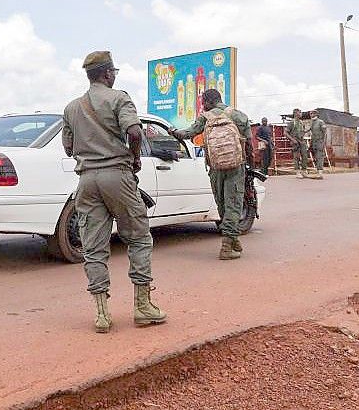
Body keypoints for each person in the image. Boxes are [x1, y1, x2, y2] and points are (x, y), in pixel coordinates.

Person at [62, 51, 166, 334]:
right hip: (117, 176)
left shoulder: (72, 108)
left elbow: (68, 148)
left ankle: (102, 314)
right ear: (108, 74)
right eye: (114, 72)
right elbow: (135, 132)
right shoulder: (119, 97)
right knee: (139, 237)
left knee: (94, 246)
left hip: (86, 181)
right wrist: (134, 158)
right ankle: (143, 307)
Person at [170, 89, 253, 260]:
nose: (202, 105)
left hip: (215, 167)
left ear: (207, 102)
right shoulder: (238, 115)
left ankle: (232, 240)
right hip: (236, 166)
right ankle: (227, 247)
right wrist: (249, 165)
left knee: (222, 204)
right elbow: (249, 143)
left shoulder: (205, 118)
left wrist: (173, 132)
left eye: (202, 102)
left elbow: (186, 134)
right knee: (234, 204)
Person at [284, 108, 308, 178]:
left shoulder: (301, 122)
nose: (301, 113)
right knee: (296, 157)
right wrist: (292, 139)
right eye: (299, 112)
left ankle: (303, 171)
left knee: (305, 156)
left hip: (302, 141)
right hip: (295, 142)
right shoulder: (292, 122)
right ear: (295, 113)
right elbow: (285, 132)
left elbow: (303, 131)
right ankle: (297, 172)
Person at [309, 109, 327, 179]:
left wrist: (323, 142)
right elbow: (311, 133)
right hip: (313, 142)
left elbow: (325, 133)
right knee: (316, 157)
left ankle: (320, 173)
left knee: (320, 156)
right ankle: (318, 172)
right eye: (310, 113)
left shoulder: (320, 122)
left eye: (312, 113)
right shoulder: (312, 122)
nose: (311, 115)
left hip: (320, 141)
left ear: (316, 114)